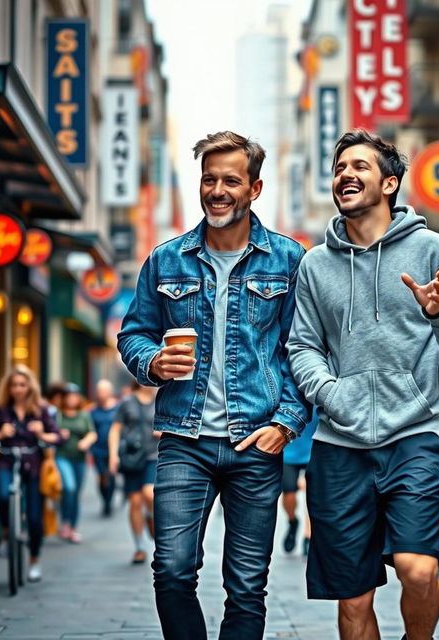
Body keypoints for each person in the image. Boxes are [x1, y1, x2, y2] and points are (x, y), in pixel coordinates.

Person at [287, 130, 439, 640]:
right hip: (338, 446)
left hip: (415, 434)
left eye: (360, 167)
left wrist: (438, 313)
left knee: (418, 569)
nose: (345, 175)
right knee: (352, 599)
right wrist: (333, 396)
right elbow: (302, 346)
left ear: (390, 183)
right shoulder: (315, 263)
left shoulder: (433, 249)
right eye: (339, 168)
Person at [117, 130, 310, 640]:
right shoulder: (165, 259)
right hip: (184, 439)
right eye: (209, 179)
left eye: (231, 180)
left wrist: (286, 425)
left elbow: (306, 350)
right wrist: (153, 362)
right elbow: (134, 332)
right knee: (172, 570)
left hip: (257, 442)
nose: (218, 190)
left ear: (255, 188)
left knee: (247, 585)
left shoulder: (290, 261)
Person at [0, 365, 62, 582]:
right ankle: (8, 532)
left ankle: (34, 560)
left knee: (35, 518)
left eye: (22, 385)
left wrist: (41, 433)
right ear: (8, 388)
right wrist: (0, 432)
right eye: (14, 385)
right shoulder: (1, 411)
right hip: (6, 461)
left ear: (29, 387)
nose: (18, 389)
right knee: (4, 497)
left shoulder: (40, 410)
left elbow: (58, 437)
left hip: (33, 464)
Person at [108, 381, 158, 564]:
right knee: (135, 501)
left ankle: (151, 516)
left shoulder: (162, 398)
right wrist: (113, 455)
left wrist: (164, 432)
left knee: (149, 494)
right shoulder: (127, 402)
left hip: (155, 455)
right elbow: (115, 429)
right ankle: (139, 547)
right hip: (132, 457)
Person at [56, 383, 97, 543]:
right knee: (69, 487)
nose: (71, 399)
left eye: (74, 396)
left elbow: (92, 434)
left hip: (80, 458)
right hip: (62, 456)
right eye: (68, 396)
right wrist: (58, 434)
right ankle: (65, 522)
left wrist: (86, 441)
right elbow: (49, 432)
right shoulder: (57, 415)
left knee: (75, 493)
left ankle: (73, 527)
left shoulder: (84, 415)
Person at [282, 408, 318, 556]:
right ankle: (292, 522)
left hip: (314, 450)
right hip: (288, 452)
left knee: (312, 494)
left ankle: (308, 536)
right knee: (288, 492)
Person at [90, 379, 119, 516]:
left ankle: (109, 502)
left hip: (114, 449)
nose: (100, 394)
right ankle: (104, 499)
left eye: (103, 391)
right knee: (102, 476)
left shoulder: (118, 409)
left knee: (111, 475)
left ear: (109, 392)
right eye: (99, 391)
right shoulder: (93, 411)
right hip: (98, 449)